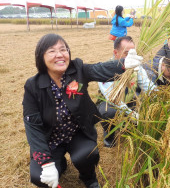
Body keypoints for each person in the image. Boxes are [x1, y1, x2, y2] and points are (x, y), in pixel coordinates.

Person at [22, 33, 143, 188]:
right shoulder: (33, 86)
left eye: (63, 49)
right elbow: (32, 126)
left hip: (77, 132)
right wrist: (46, 163)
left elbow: (99, 69)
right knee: (39, 176)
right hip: (50, 138)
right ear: (41, 57)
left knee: (87, 155)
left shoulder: (77, 70)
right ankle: (59, 163)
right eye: (52, 51)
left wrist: (124, 64)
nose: (60, 54)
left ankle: (89, 177)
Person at [98, 36, 156, 147]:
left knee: (145, 105)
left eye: (132, 53)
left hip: (130, 100)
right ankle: (109, 134)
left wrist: (160, 96)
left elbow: (147, 85)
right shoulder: (104, 69)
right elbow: (114, 100)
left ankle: (130, 126)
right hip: (111, 103)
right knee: (108, 112)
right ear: (116, 53)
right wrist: (132, 115)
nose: (130, 57)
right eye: (126, 53)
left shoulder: (135, 66)